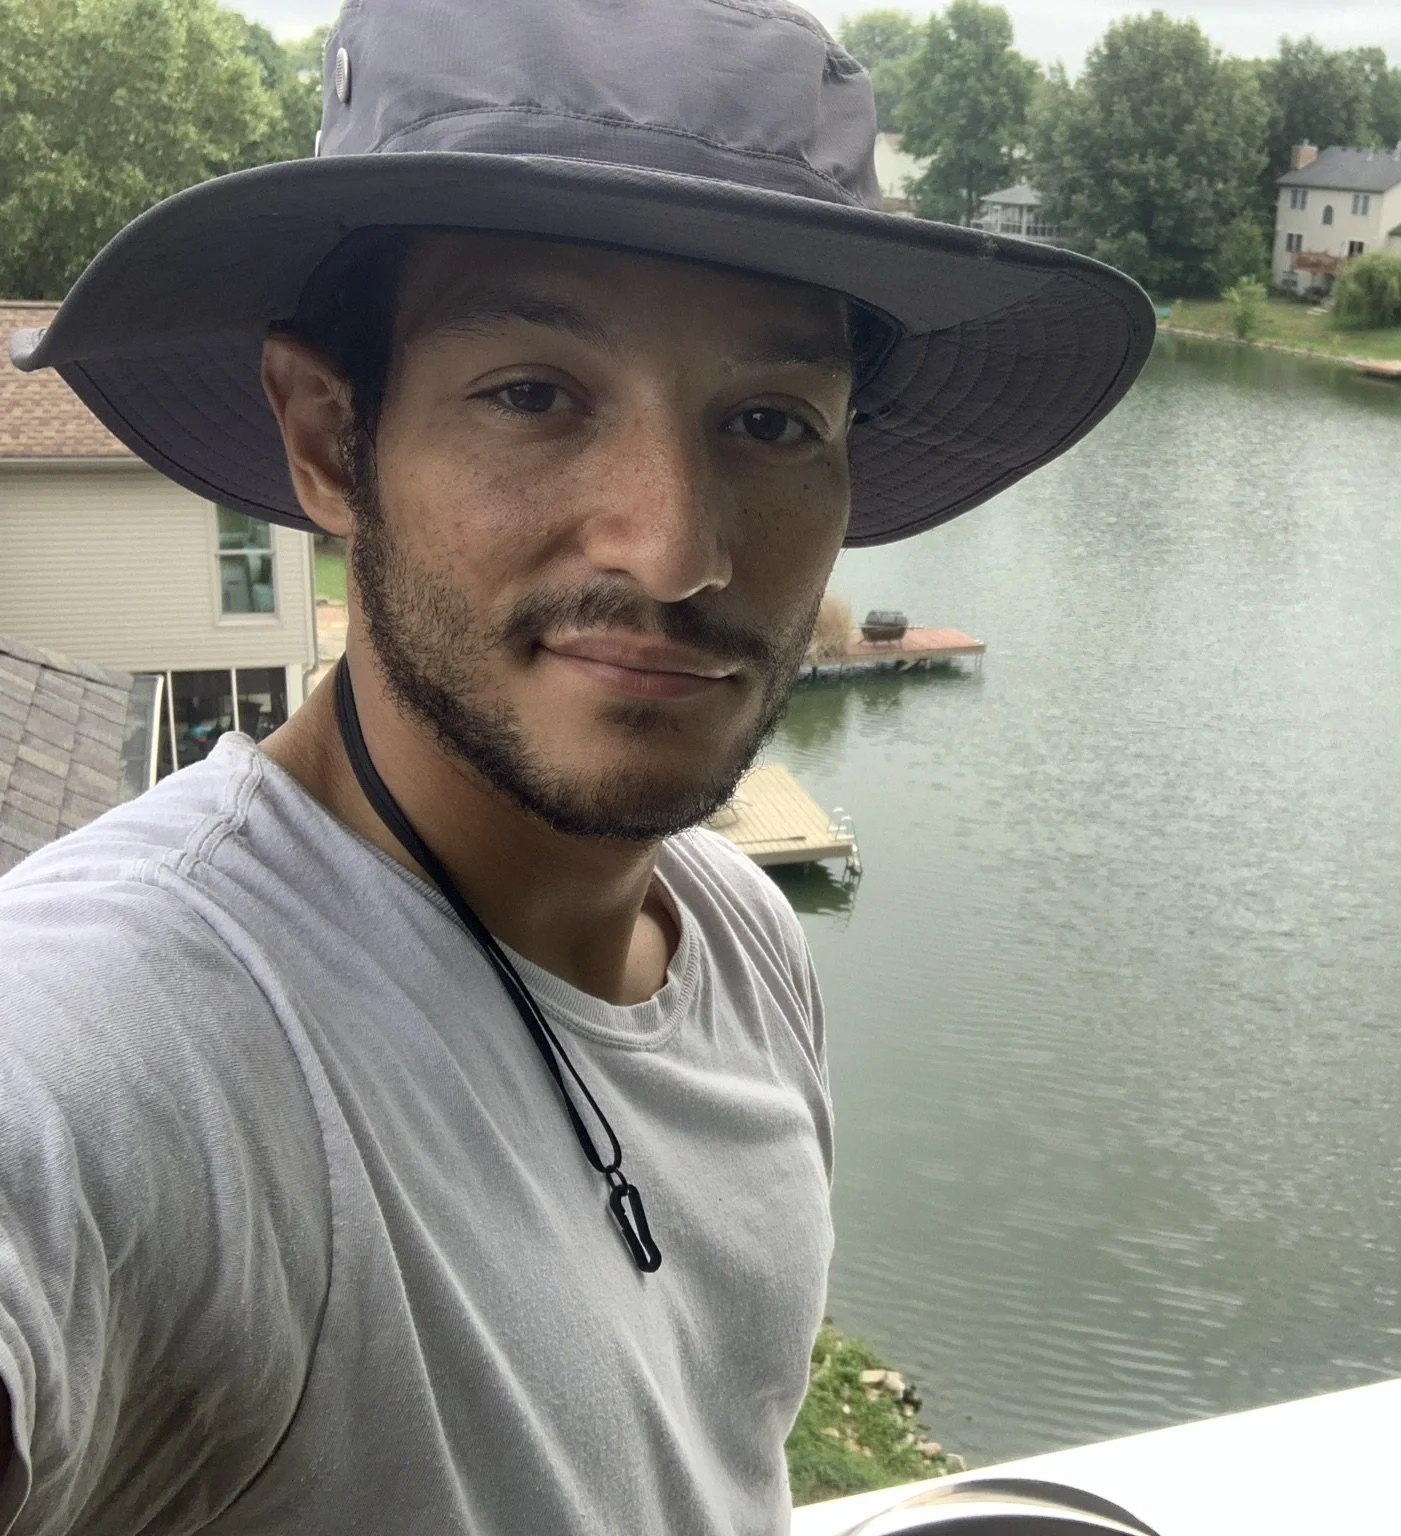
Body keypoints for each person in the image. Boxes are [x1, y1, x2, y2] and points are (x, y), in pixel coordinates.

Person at [0, 0, 1150, 1528]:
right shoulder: (135, 1036)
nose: (676, 548)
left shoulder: (737, 942)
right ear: (333, 438)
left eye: (770, 419)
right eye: (534, 393)